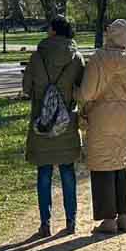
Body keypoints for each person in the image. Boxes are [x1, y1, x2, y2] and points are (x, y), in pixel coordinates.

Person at [78, 19, 126, 235]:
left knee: (102, 166)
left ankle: (108, 220)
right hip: (123, 116)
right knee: (120, 162)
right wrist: (124, 104)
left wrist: (76, 96)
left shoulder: (98, 59)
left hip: (100, 116)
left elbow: (87, 93)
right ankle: (124, 217)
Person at [22, 17, 86, 239]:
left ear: (52, 31)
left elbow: (26, 88)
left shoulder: (37, 56)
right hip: (66, 122)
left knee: (44, 173)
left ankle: (45, 223)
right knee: (68, 171)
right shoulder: (76, 58)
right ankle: (71, 221)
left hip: (43, 122)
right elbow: (82, 90)